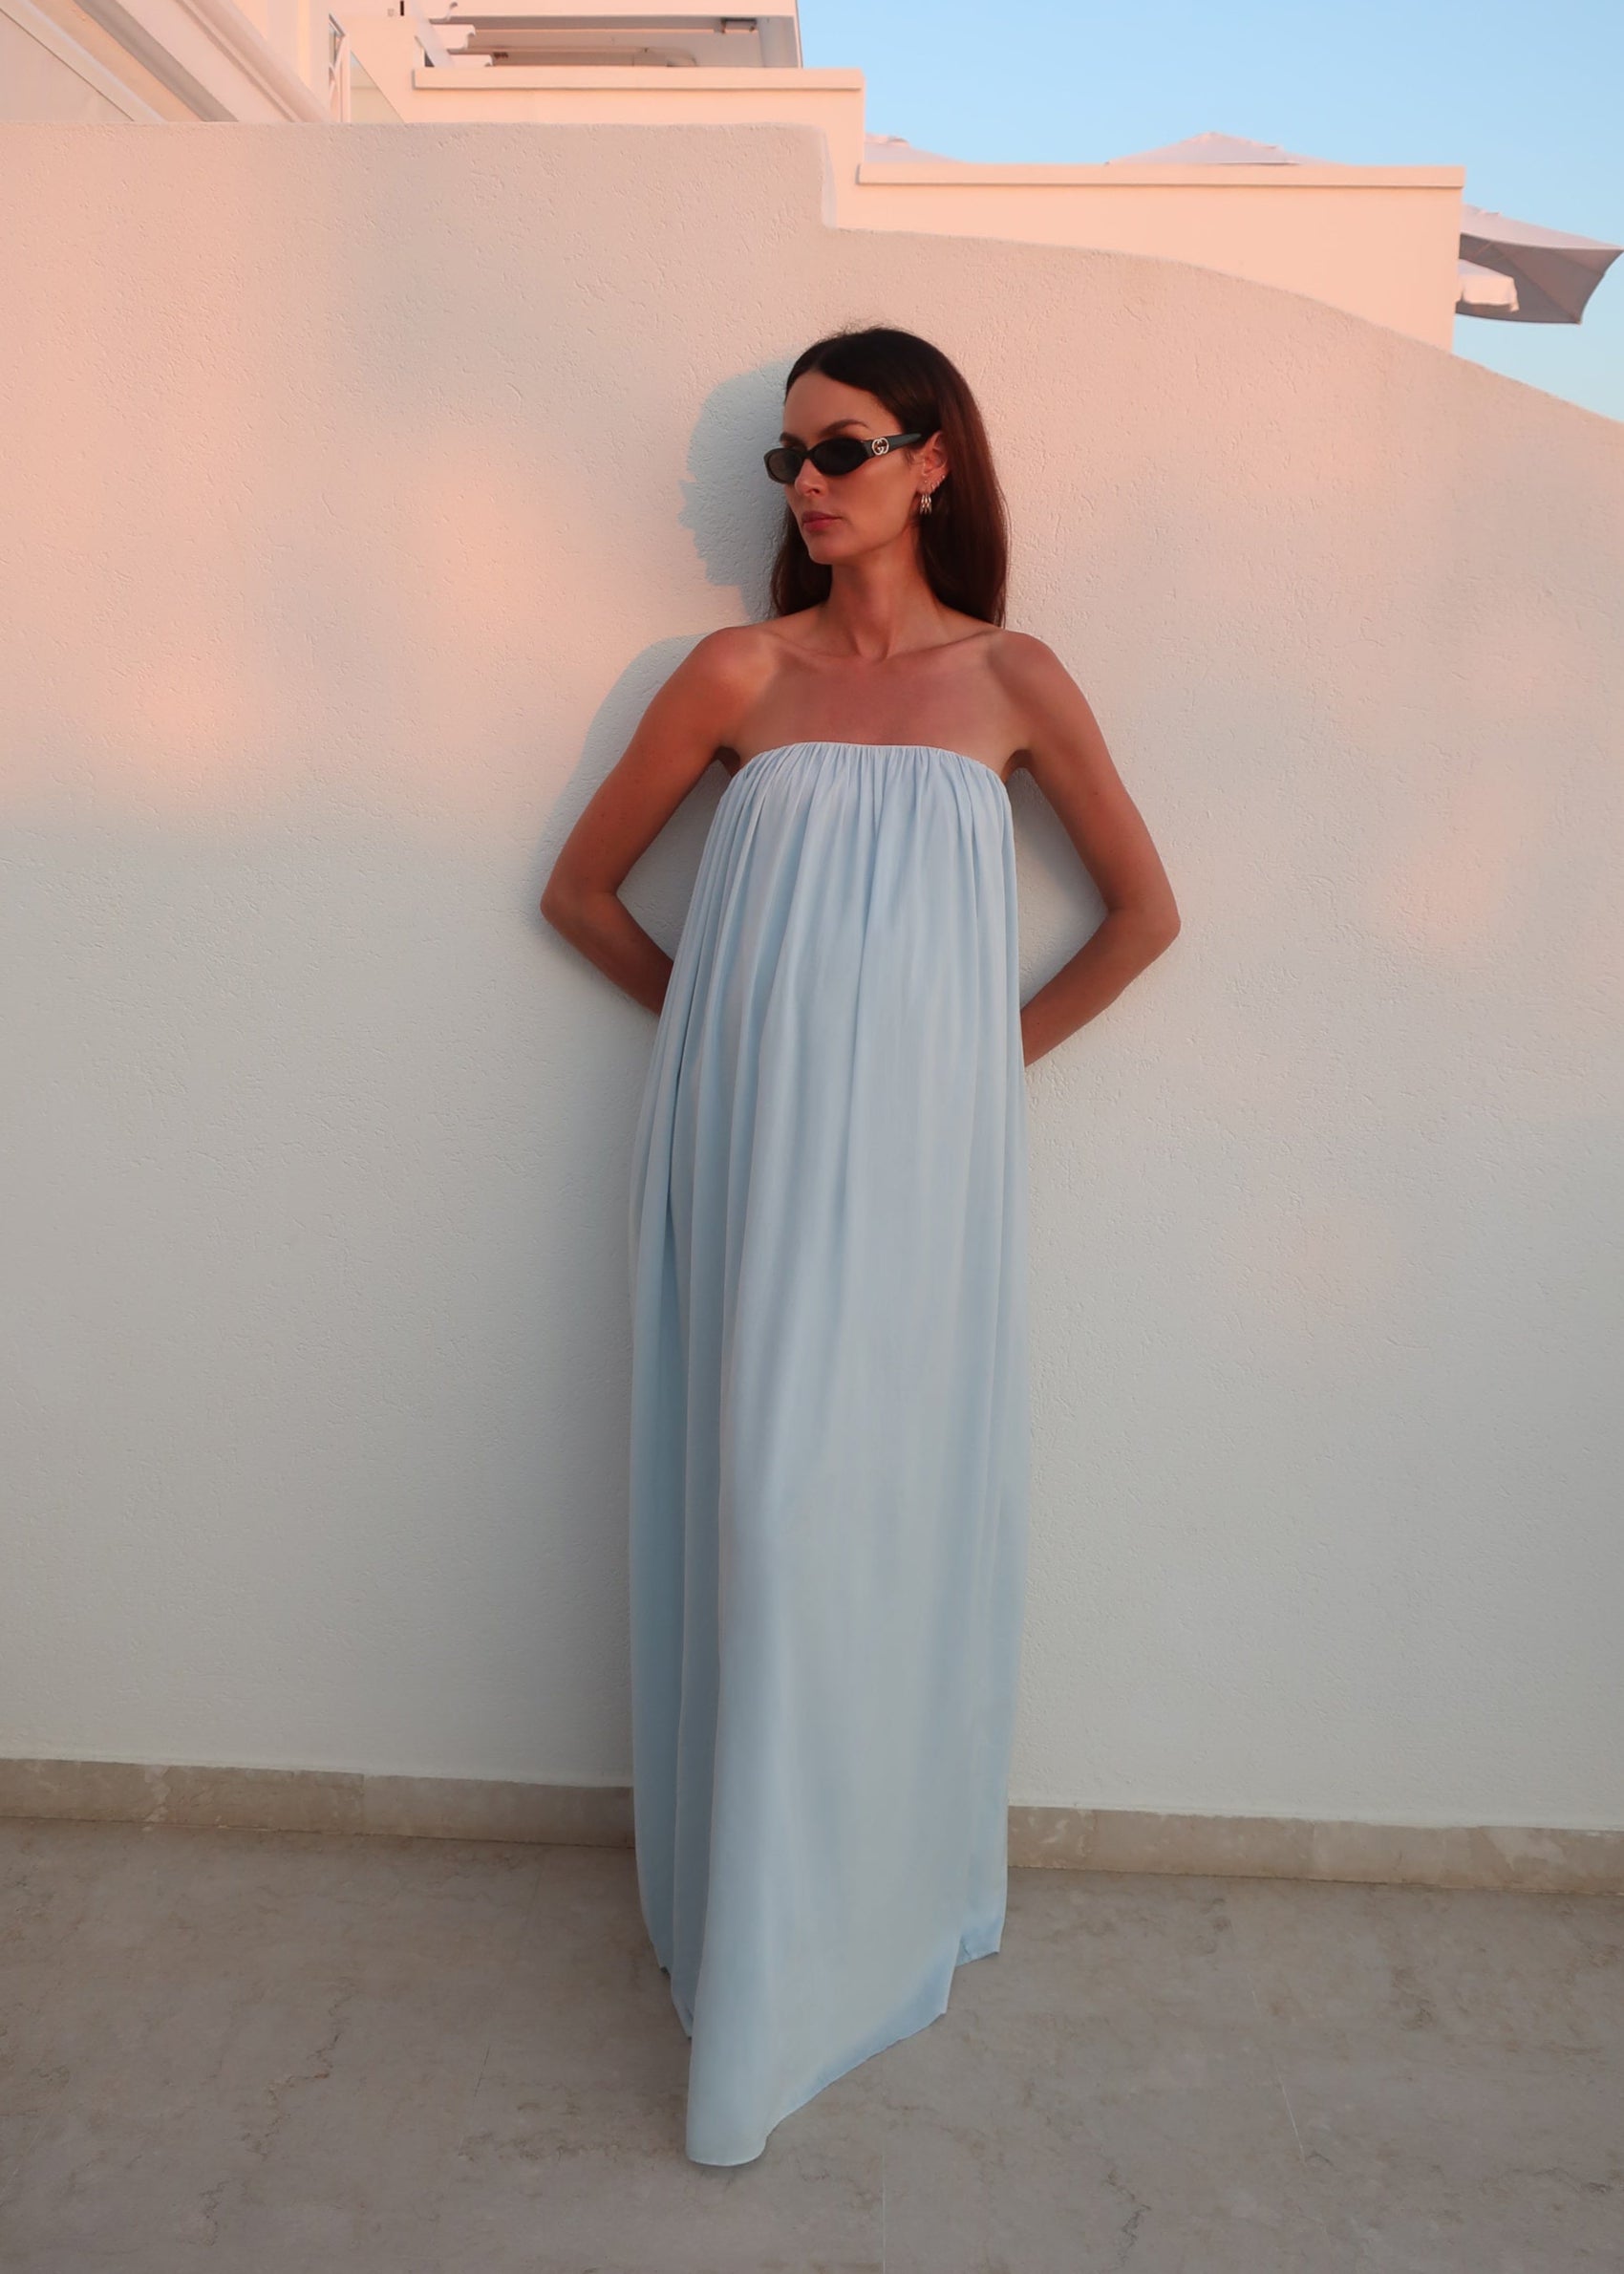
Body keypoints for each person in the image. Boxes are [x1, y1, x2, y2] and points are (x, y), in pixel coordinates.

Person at [541, 324, 1179, 2165]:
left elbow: (1143, 916)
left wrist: (974, 1070)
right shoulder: (736, 671)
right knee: (764, 1518)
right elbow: (581, 893)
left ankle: (880, 1903)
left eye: (842, 449)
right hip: (742, 1160)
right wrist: (726, 1038)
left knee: (890, 1518)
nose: (807, 485)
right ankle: (757, 1936)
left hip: (929, 1177)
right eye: (788, 459)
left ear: (932, 462)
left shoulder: (1015, 679)